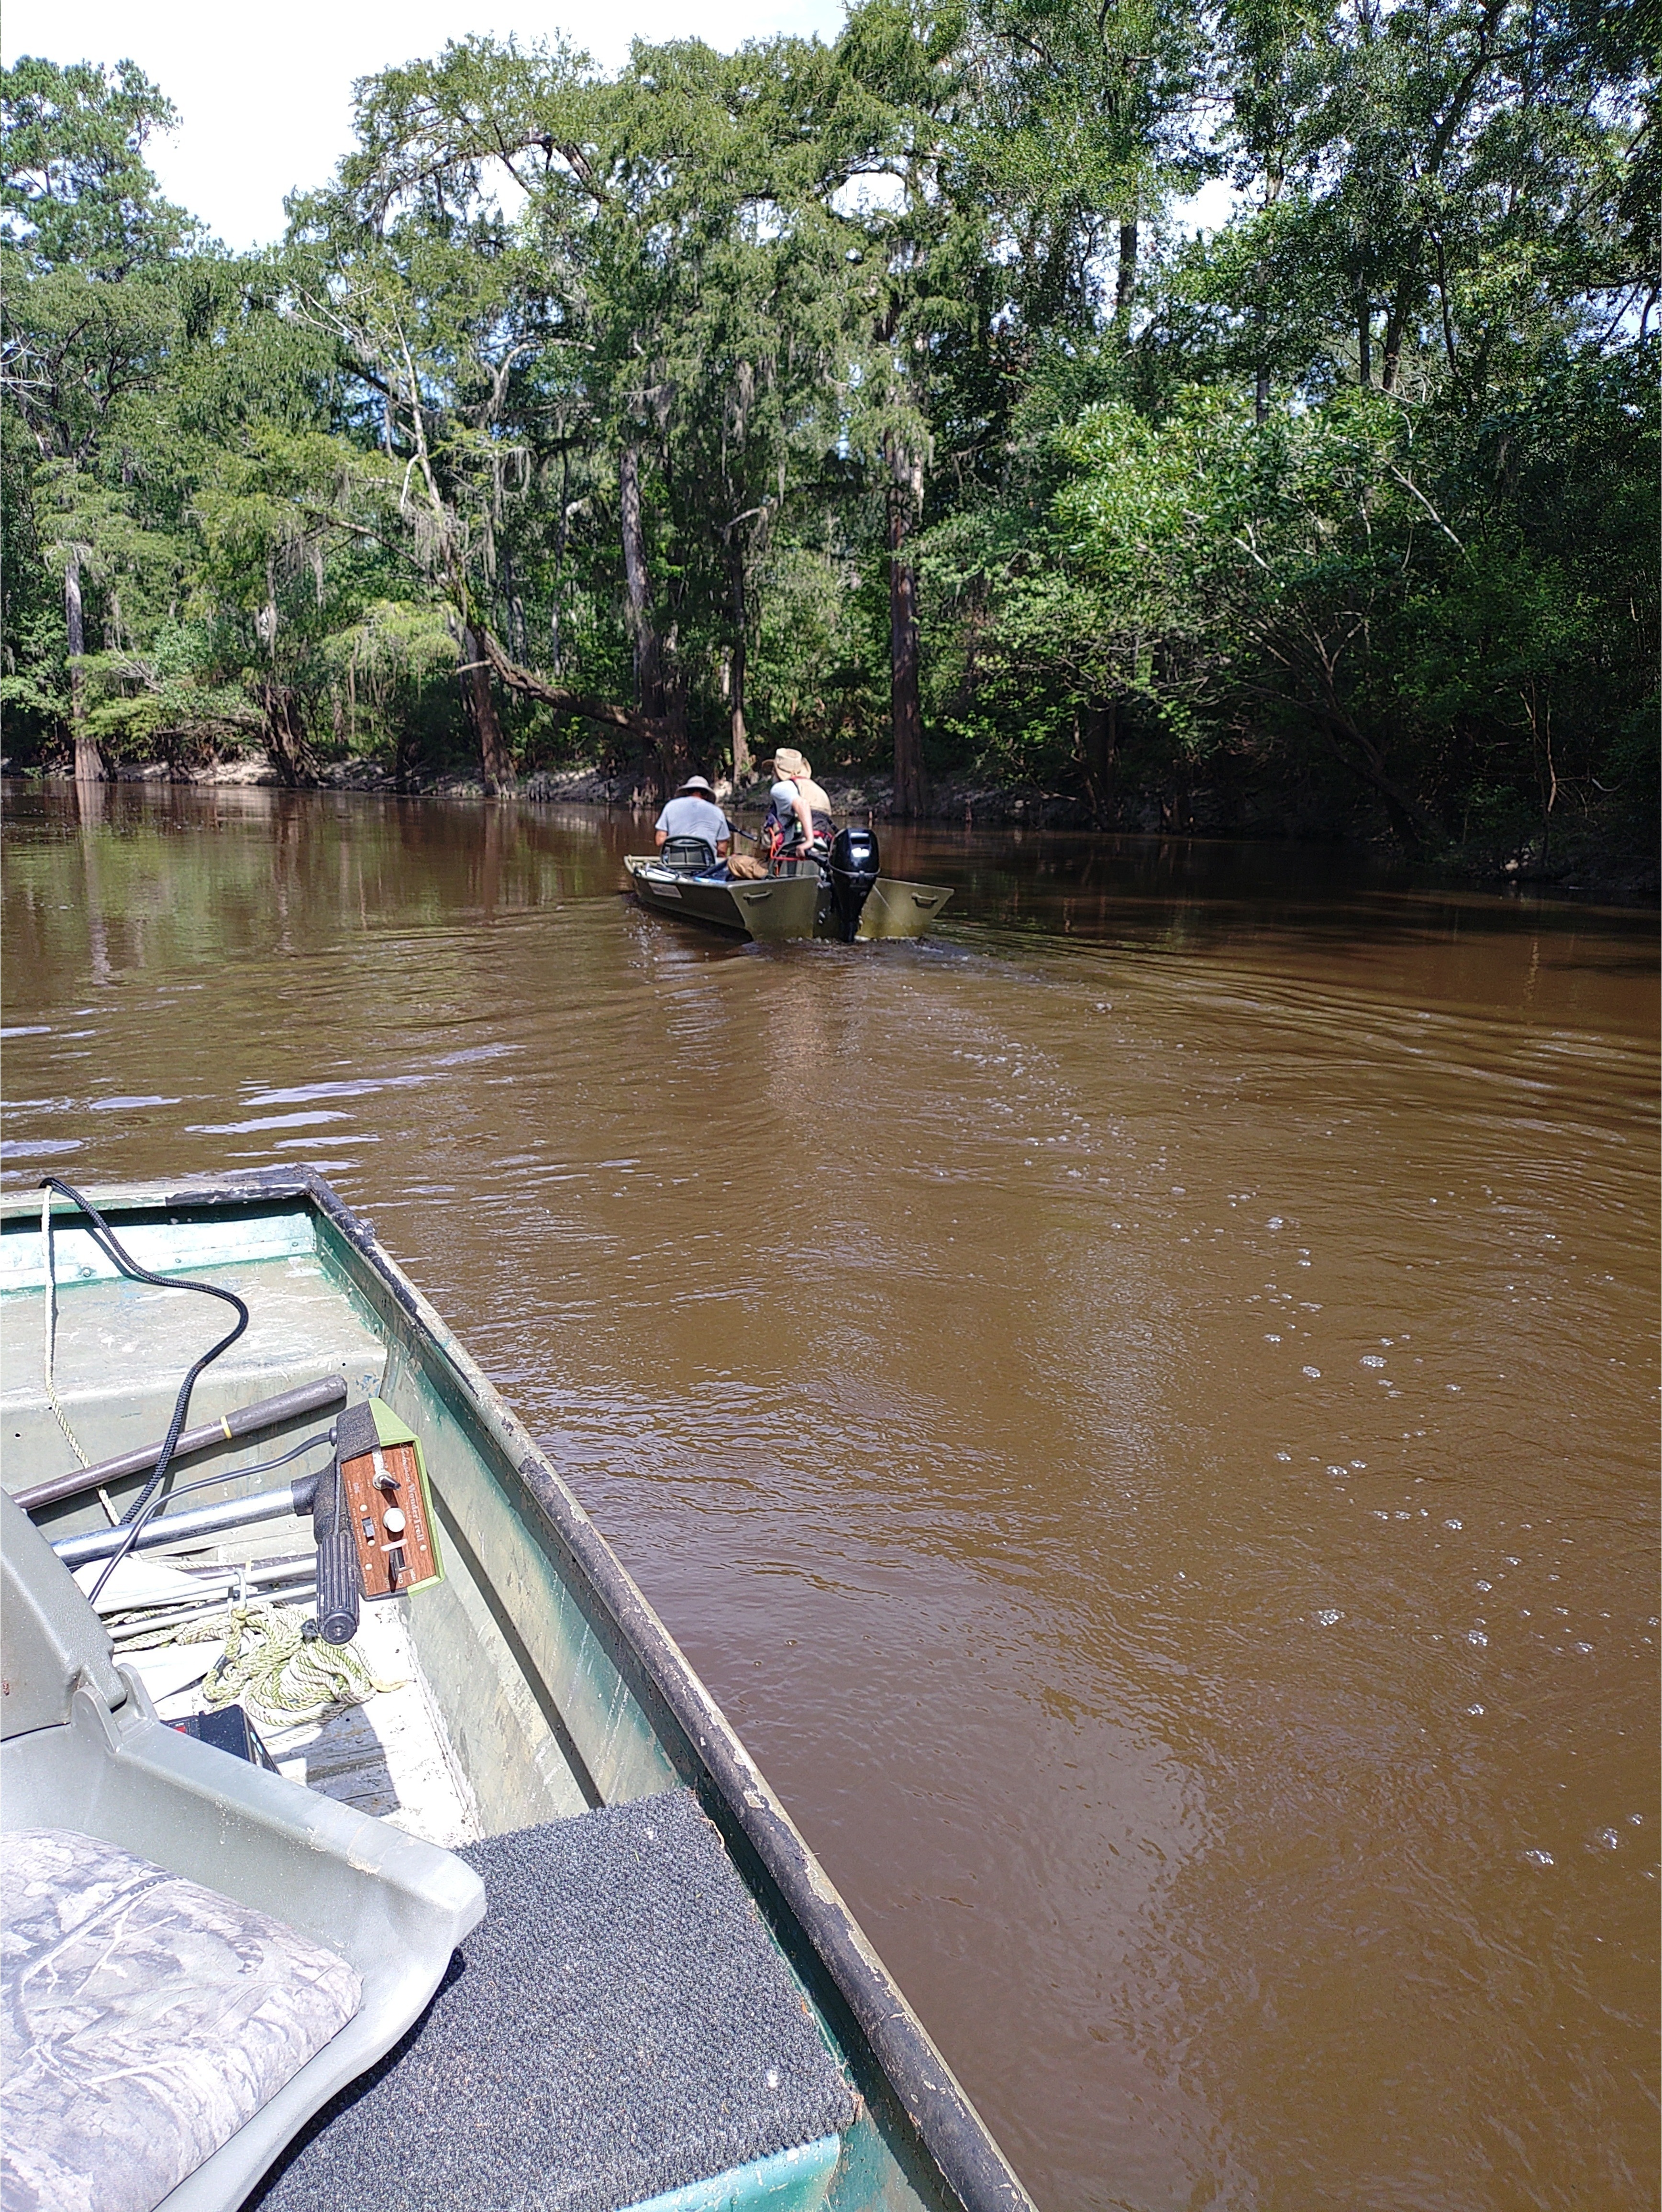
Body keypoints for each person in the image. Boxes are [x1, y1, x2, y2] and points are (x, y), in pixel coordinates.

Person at [763, 748, 833, 863]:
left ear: (777, 772)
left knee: (735, 863)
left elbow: (802, 804)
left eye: (773, 770)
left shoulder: (780, 788)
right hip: (820, 858)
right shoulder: (819, 790)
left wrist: (809, 841)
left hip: (789, 859)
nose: (772, 773)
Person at [654, 774, 731, 863]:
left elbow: (660, 841)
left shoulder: (670, 806)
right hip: (706, 864)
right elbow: (722, 849)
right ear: (706, 795)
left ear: (687, 792)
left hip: (674, 862)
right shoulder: (718, 812)